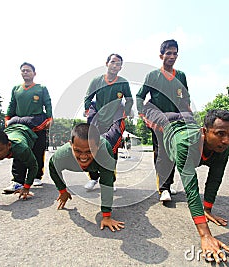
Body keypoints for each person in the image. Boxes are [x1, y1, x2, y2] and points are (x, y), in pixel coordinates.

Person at [140, 103, 229, 263]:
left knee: (184, 115)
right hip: (166, 125)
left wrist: (207, 209)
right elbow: (192, 189)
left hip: (186, 120)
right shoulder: (185, 145)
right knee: (163, 159)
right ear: (204, 132)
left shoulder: (223, 147)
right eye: (220, 134)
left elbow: (215, 178)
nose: (226, 140)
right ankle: (164, 188)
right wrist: (205, 234)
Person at [136, 39, 191, 202]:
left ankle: (168, 183)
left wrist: (189, 115)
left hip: (176, 120)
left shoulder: (180, 75)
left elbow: (185, 97)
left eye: (175, 53)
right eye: (168, 53)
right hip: (158, 121)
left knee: (174, 151)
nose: (172, 56)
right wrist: (142, 114)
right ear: (161, 56)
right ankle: (163, 188)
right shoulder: (153, 76)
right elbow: (140, 96)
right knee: (161, 153)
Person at [48, 123, 125, 232]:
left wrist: (106, 216)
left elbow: (106, 184)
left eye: (89, 151)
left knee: (109, 177)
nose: (83, 157)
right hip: (92, 161)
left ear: (97, 146)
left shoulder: (104, 151)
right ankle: (93, 176)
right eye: (78, 151)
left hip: (103, 155)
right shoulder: (63, 155)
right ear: (71, 144)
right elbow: (52, 166)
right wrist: (62, 191)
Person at [83, 53, 133, 190]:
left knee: (111, 148)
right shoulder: (96, 81)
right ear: (107, 64)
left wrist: (127, 111)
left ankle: (109, 180)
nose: (115, 65)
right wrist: (87, 110)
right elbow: (88, 97)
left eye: (118, 64)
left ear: (120, 67)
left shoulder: (123, 82)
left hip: (114, 117)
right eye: (113, 62)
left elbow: (129, 99)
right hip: (98, 116)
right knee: (91, 144)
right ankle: (93, 178)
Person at [5, 62, 53, 189]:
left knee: (38, 150)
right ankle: (17, 181)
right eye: (23, 70)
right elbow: (12, 104)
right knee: (18, 149)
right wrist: (7, 118)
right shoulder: (16, 89)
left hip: (37, 123)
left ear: (34, 73)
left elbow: (47, 104)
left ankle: (37, 176)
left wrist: (49, 118)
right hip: (20, 126)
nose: (25, 72)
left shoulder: (41, 88)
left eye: (28, 70)